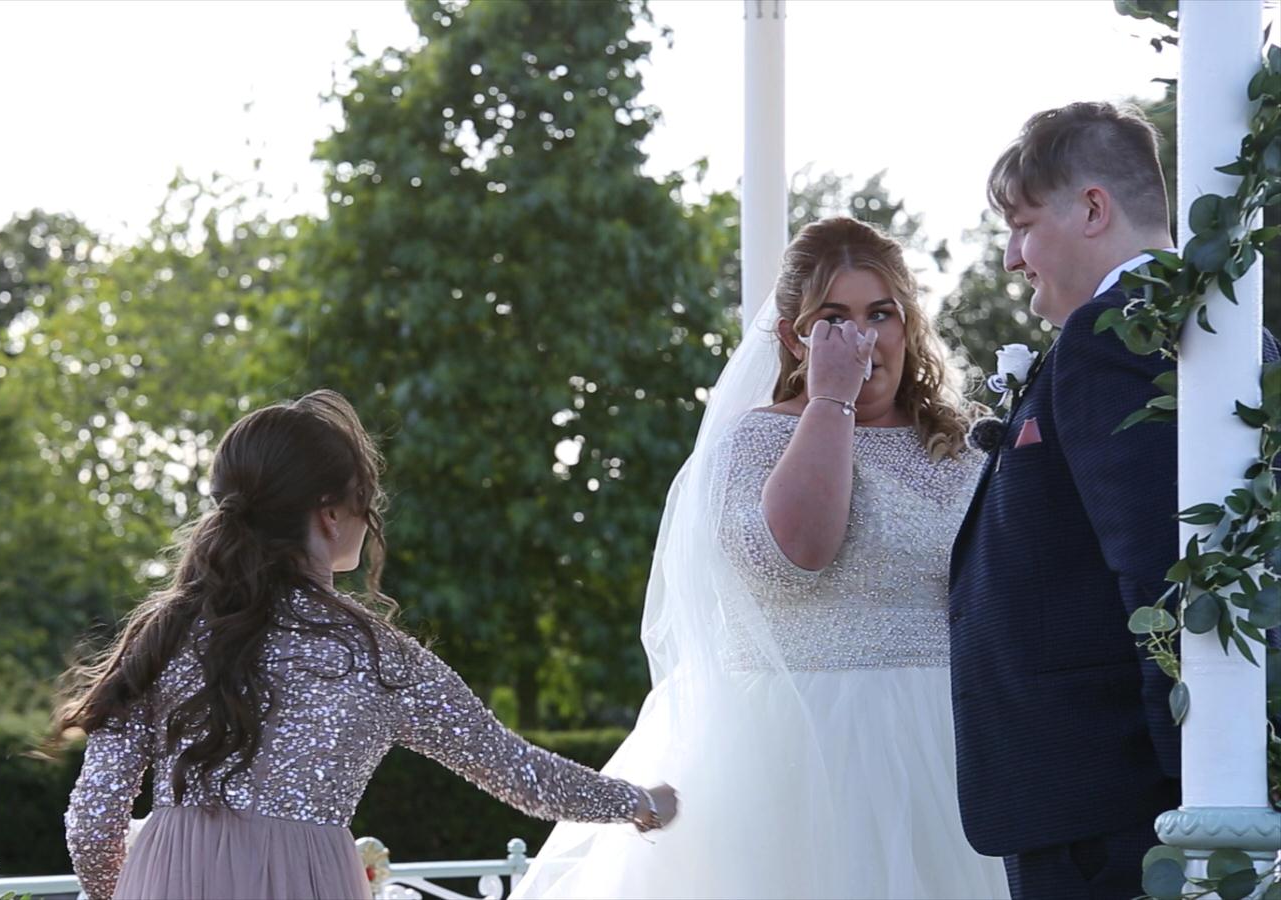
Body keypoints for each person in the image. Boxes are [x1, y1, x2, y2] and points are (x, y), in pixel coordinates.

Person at [514, 217, 1008, 899]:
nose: (863, 339)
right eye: (834, 318)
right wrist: (830, 399)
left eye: (881, 314)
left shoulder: (966, 446)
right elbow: (796, 556)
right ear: (792, 336)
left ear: (908, 324)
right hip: (795, 757)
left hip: (949, 744)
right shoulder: (754, 443)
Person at [54, 389, 677, 900]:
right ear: (330, 514)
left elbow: (92, 822)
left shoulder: (165, 634)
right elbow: (520, 774)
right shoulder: (375, 655)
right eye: (365, 500)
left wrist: (130, 891)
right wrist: (639, 802)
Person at [950, 100, 1277, 900]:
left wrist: (1201, 786)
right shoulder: (1233, 333)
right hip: (1116, 801)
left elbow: (1163, 564)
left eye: (1022, 225)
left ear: (1094, 207)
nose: (1010, 260)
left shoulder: (1114, 336)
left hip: (1113, 813)